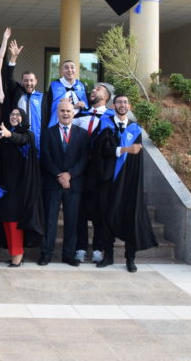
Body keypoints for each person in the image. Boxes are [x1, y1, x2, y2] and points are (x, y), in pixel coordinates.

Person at [95, 94, 158, 272]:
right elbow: (101, 151)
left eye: (125, 102)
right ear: (113, 106)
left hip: (128, 180)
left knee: (131, 218)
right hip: (109, 179)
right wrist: (125, 149)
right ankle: (108, 256)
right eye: (119, 102)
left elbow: (137, 158)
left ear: (129, 107)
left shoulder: (135, 129)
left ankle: (130, 259)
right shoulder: (104, 125)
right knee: (106, 217)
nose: (122, 105)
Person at [38, 99, 88, 267]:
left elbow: (84, 158)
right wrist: (59, 175)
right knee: (49, 221)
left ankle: (69, 255)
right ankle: (46, 254)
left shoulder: (82, 134)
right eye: (62, 111)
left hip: (74, 185)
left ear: (73, 113)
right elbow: (45, 157)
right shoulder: (47, 133)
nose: (65, 114)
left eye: (68, 111)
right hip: (52, 183)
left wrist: (70, 175)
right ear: (57, 113)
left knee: (72, 221)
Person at [0, 109, 44, 266]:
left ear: (23, 118)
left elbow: (21, 140)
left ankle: (18, 254)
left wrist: (9, 134)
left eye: (17, 115)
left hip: (21, 185)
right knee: (6, 218)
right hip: (5, 184)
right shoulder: (3, 134)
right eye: (12, 114)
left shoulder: (27, 134)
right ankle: (13, 252)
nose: (14, 117)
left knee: (14, 220)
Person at [72, 83, 113, 264]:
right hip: (80, 170)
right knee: (79, 211)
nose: (93, 91)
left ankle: (97, 248)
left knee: (99, 210)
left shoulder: (110, 118)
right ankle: (80, 247)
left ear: (106, 97)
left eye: (98, 89)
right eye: (93, 89)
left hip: (99, 171)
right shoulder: (80, 115)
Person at [6, 39, 43, 155]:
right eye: (26, 80)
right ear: (22, 82)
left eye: (31, 80)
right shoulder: (17, 92)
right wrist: (14, 57)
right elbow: (9, 78)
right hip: (19, 136)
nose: (29, 83)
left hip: (38, 137)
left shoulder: (42, 98)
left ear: (36, 81)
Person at [44, 59, 89, 129]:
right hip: (59, 123)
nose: (70, 70)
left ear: (76, 70)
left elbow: (87, 105)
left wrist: (83, 106)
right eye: (66, 68)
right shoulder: (54, 86)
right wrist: (72, 106)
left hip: (79, 123)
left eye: (72, 67)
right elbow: (49, 106)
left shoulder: (81, 85)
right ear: (62, 71)